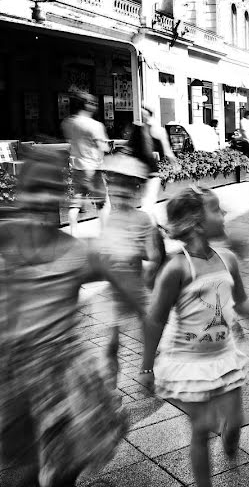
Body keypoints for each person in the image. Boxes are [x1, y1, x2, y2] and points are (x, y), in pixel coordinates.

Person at [0, 149, 141, 487]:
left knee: (62, 461)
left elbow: (135, 294)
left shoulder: (80, 253)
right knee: (32, 455)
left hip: (62, 372)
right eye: (35, 188)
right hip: (14, 367)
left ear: (62, 196)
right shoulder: (6, 237)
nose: (44, 197)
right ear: (21, 193)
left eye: (52, 188)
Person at [137, 187, 249, 487]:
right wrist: (147, 367)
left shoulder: (226, 259)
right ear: (197, 223)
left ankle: (231, 446)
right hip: (189, 359)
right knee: (201, 427)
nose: (225, 213)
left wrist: (248, 311)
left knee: (235, 423)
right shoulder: (177, 268)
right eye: (217, 209)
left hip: (225, 355)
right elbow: (155, 319)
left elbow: (237, 299)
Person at [98, 154, 164, 387]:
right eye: (114, 188)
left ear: (135, 191)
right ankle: (113, 384)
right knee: (114, 340)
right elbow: (104, 255)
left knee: (147, 326)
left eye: (124, 188)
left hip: (135, 285)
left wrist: (147, 271)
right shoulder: (109, 218)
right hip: (117, 288)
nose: (119, 193)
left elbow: (153, 256)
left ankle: (146, 368)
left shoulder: (142, 219)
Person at [62, 94, 109, 235]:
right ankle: (104, 234)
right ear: (88, 105)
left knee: (75, 203)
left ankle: (74, 233)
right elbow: (102, 147)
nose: (95, 106)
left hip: (77, 168)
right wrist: (108, 147)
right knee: (103, 203)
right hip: (94, 169)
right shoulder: (95, 125)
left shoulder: (68, 123)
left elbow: (70, 142)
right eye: (93, 103)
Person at [126, 102, 179, 219]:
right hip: (148, 169)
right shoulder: (153, 129)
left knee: (147, 200)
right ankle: (148, 225)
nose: (142, 116)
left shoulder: (140, 129)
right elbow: (167, 151)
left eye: (143, 113)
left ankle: (151, 224)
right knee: (148, 201)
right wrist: (174, 164)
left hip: (140, 170)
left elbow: (129, 149)